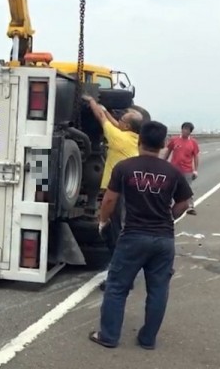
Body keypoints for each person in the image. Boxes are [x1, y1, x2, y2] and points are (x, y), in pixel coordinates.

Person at [88, 120, 193, 349]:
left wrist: (103, 221)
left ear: (140, 141)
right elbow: (184, 203)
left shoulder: (124, 168)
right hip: (164, 239)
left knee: (117, 286)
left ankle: (109, 336)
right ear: (164, 143)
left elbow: (109, 199)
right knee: (158, 290)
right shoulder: (173, 172)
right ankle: (147, 339)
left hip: (133, 237)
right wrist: (169, 217)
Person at [82, 95, 144, 291]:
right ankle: (121, 272)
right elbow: (115, 123)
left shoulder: (119, 139)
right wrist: (107, 110)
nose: (120, 120)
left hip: (118, 193)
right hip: (131, 193)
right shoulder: (133, 138)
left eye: (123, 119)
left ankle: (120, 278)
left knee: (115, 233)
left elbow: (102, 119)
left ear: (127, 127)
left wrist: (92, 102)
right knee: (115, 233)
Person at [164, 122, 200, 215]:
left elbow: (196, 156)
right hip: (174, 169)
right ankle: (167, 205)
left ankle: (190, 207)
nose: (185, 131)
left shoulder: (193, 142)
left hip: (187, 170)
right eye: (184, 129)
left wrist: (195, 170)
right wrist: (163, 162)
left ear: (190, 132)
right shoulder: (174, 140)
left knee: (187, 189)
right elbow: (168, 151)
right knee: (170, 187)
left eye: (187, 129)